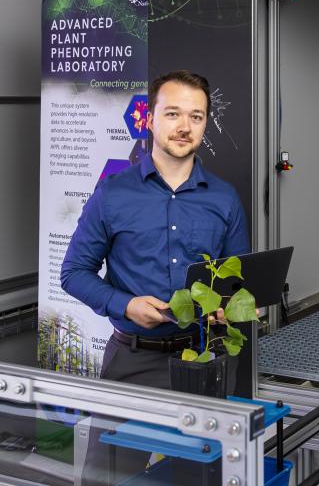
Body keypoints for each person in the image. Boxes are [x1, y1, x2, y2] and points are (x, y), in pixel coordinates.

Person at [61, 69, 250, 390]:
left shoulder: (225, 198)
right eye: (173, 113)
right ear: (149, 120)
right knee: (117, 443)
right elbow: (73, 272)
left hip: (205, 357)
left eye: (196, 116)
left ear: (205, 124)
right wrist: (126, 305)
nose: (184, 127)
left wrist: (236, 306)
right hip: (132, 361)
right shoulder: (112, 194)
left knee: (207, 443)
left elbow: (238, 280)